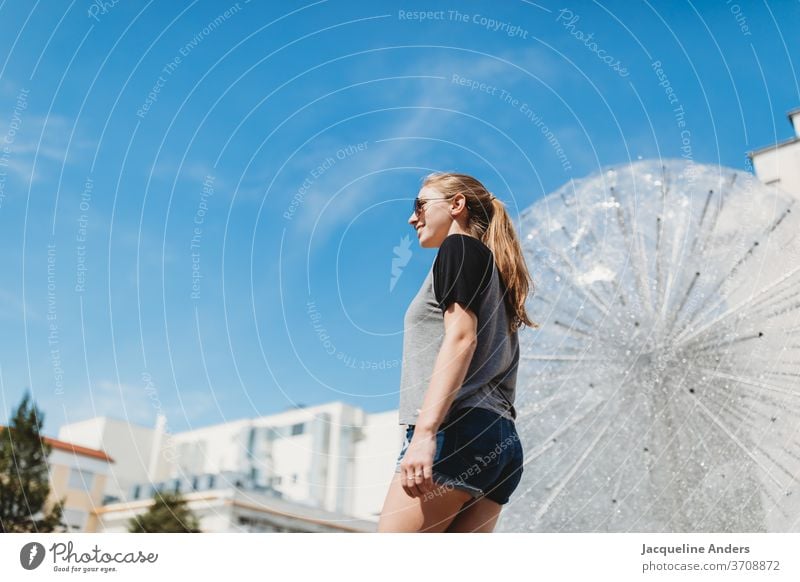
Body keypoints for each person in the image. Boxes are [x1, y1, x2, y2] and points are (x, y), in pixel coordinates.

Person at [377, 172, 538, 533]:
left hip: (457, 433)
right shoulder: (495, 273)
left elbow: (462, 339)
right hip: (501, 445)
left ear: (456, 205)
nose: (412, 217)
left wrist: (424, 434)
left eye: (419, 205)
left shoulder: (458, 248)